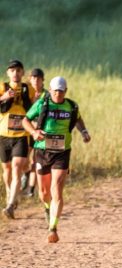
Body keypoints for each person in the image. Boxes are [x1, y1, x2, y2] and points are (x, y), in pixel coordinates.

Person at [22, 76, 91, 243]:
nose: (58, 94)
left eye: (61, 91)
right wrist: (34, 132)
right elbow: (26, 120)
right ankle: (47, 208)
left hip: (62, 152)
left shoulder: (72, 106)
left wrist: (84, 131)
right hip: (42, 151)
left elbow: (78, 119)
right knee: (44, 193)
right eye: (55, 91)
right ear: (50, 91)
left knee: (57, 190)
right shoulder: (42, 104)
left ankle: (53, 228)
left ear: (65, 91)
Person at [0, 59, 36, 218]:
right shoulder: (2, 87)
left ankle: (9, 206)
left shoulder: (28, 89)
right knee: (6, 170)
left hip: (21, 134)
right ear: (8, 73)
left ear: (22, 73)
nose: (15, 73)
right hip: (3, 134)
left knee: (17, 167)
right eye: (12, 70)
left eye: (18, 70)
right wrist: (5, 97)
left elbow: (34, 108)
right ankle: (11, 196)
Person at [22, 68, 46, 197]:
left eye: (38, 78)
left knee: (35, 160)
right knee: (23, 159)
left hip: (39, 132)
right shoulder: (25, 93)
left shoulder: (47, 95)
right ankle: (25, 174)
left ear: (43, 80)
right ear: (30, 79)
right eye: (33, 78)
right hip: (26, 131)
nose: (36, 80)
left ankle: (30, 190)